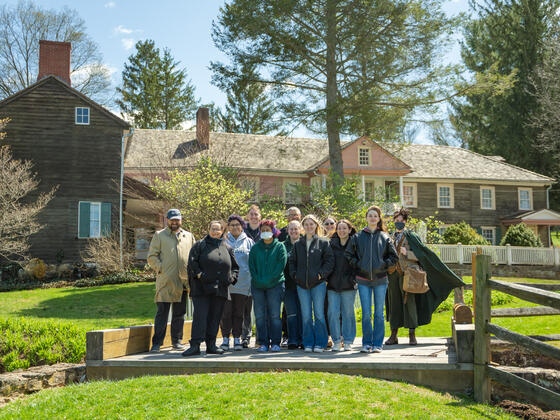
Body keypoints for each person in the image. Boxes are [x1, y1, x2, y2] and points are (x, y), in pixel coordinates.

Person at [385, 208, 465, 346]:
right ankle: (394, 335)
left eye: (401, 220)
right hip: (393, 274)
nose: (398, 223)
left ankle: (412, 335)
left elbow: (422, 256)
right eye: (396, 220)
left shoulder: (411, 236)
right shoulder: (389, 237)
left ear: (405, 221)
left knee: (410, 303)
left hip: (409, 274)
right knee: (394, 304)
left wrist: (407, 253)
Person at [345, 205, 398, 353]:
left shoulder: (385, 237)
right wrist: (359, 265)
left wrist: (382, 265)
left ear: (379, 218)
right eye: (370, 215)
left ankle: (377, 344)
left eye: (375, 215)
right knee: (366, 313)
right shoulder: (357, 237)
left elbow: (394, 257)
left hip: (381, 280)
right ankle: (366, 343)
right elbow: (349, 255)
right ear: (366, 218)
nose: (373, 218)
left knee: (379, 314)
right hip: (363, 280)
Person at [182, 221, 239, 356]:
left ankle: (211, 345)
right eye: (213, 229)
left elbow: (235, 267)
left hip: (220, 290)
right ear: (208, 229)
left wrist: (232, 278)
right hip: (201, 289)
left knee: (215, 317)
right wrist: (200, 274)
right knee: (200, 317)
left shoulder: (227, 247)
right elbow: (192, 263)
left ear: (222, 231)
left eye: (218, 229)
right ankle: (195, 345)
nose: (215, 231)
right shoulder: (199, 246)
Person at [147, 209, 196, 352]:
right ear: (167, 220)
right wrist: (161, 268)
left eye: (177, 220)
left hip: (183, 281)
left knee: (179, 313)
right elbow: (151, 256)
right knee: (162, 313)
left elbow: (193, 257)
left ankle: (177, 341)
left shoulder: (189, 236)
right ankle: (157, 343)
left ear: (181, 220)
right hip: (165, 281)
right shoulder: (159, 236)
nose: (175, 222)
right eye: (172, 220)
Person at [289, 214, 334, 353]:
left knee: (319, 314)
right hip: (302, 285)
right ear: (303, 227)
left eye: (311, 224)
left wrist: (321, 275)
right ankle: (308, 342)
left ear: (316, 226)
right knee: (306, 315)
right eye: (306, 224)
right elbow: (292, 262)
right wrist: (295, 276)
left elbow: (329, 261)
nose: (309, 227)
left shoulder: (323, 242)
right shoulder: (298, 244)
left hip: (318, 284)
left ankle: (320, 343)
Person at [248, 220, 287, 352]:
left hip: (275, 285)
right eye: (263, 230)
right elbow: (251, 267)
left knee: (274, 315)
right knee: (260, 315)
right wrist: (259, 280)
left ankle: (276, 342)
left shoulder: (280, 246)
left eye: (268, 230)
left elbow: (280, 266)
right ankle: (263, 343)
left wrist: (269, 280)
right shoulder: (255, 248)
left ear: (273, 231)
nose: (265, 232)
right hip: (257, 286)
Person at [220, 215, 255, 351]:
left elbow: (252, 264)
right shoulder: (223, 241)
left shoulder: (249, 242)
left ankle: (237, 339)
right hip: (226, 285)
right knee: (226, 313)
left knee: (239, 313)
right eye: (232, 225)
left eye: (237, 224)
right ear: (228, 227)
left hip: (243, 284)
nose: (235, 227)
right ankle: (225, 339)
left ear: (242, 226)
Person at [327, 220, 357, 351]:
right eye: (339, 228)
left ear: (350, 230)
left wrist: (354, 279)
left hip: (349, 285)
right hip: (333, 285)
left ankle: (348, 340)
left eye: (344, 228)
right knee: (332, 313)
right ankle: (337, 341)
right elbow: (327, 263)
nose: (342, 231)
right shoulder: (331, 244)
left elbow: (358, 263)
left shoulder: (355, 244)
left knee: (348, 313)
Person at [241, 204, 261, 347]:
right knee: (245, 309)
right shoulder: (242, 231)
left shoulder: (265, 231)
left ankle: (260, 338)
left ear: (260, 216)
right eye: (251, 214)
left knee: (260, 308)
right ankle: (245, 337)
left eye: (256, 214)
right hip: (246, 276)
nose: (254, 217)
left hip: (261, 276)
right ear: (247, 216)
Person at [282, 220, 304, 349]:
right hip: (288, 285)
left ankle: (302, 339)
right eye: (291, 229)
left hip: (303, 285)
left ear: (300, 229)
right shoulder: (282, 246)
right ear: (288, 230)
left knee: (303, 313)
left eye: (296, 228)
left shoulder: (305, 243)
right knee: (291, 313)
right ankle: (292, 339)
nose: (294, 231)